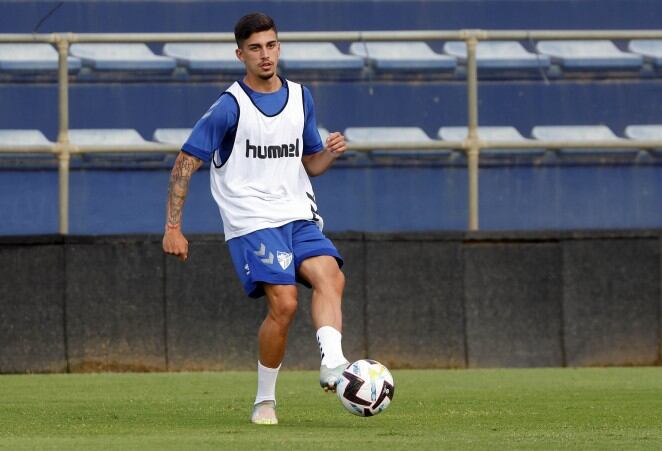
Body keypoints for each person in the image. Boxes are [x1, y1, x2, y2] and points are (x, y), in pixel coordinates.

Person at [162, 12, 350, 425]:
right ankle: (264, 400)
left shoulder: (302, 97)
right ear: (240, 54)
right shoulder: (229, 108)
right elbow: (184, 162)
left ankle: (333, 364)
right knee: (285, 304)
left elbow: (310, 165)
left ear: (279, 47)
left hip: (297, 213)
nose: (265, 55)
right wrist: (173, 227)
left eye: (270, 45)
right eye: (255, 48)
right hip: (252, 220)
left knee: (331, 277)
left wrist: (330, 153)